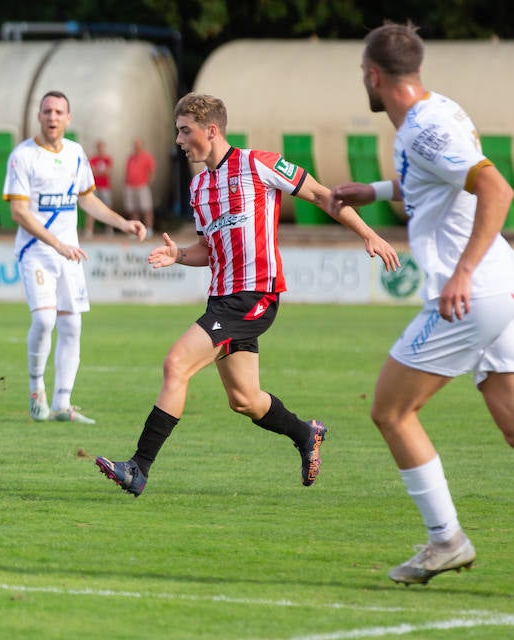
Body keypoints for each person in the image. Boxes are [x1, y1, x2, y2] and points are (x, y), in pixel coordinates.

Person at [93, 92, 400, 498]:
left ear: (211, 130)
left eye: (185, 131)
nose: (179, 140)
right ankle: (306, 433)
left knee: (176, 364)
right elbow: (208, 250)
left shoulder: (260, 164)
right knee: (244, 399)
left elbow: (324, 196)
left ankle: (138, 467)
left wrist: (370, 235)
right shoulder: (200, 187)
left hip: (255, 295)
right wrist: (179, 255)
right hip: (222, 300)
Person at [328, 23, 514, 586]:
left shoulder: (423, 127)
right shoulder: (438, 112)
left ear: (373, 74)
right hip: (501, 287)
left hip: (472, 293)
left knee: (390, 410)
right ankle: (445, 540)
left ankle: (446, 539)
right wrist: (378, 191)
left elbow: (496, 189)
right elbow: (443, 180)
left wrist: (460, 273)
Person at [3, 93, 146, 423]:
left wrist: (123, 222)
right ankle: (36, 387)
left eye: (59, 112)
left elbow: (88, 200)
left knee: (72, 325)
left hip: (70, 253)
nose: (52, 117)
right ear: (38, 116)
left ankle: (63, 404)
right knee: (44, 320)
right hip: (37, 251)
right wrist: (56, 244)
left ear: (68, 118)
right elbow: (19, 212)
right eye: (47, 111)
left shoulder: (75, 154)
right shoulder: (23, 156)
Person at [84, 139, 114, 238]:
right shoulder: (92, 159)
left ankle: (109, 229)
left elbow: (108, 172)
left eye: (102, 147)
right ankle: (89, 230)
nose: (100, 149)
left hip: (105, 187)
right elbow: (92, 172)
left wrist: (98, 172)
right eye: (98, 147)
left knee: (107, 208)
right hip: (94, 187)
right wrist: (101, 172)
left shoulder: (108, 159)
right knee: (91, 208)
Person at [124, 138, 156, 231]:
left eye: (138, 144)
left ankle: (149, 228)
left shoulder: (147, 157)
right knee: (133, 209)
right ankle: (136, 230)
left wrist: (147, 182)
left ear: (142, 145)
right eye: (135, 144)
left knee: (146, 208)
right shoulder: (130, 157)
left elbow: (152, 171)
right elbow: (127, 171)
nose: (136, 146)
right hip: (130, 186)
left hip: (142, 186)